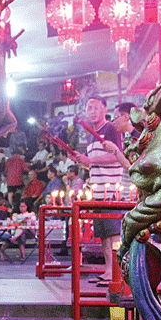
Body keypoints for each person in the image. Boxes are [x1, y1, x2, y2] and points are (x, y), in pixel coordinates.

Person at [69, 95, 123, 285]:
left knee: (114, 233)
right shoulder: (92, 134)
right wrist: (82, 160)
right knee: (104, 234)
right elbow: (93, 163)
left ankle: (118, 272)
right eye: (88, 108)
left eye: (95, 107)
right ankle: (109, 270)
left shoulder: (110, 129)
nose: (91, 111)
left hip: (112, 191)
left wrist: (90, 160)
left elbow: (117, 157)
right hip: (98, 191)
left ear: (105, 109)